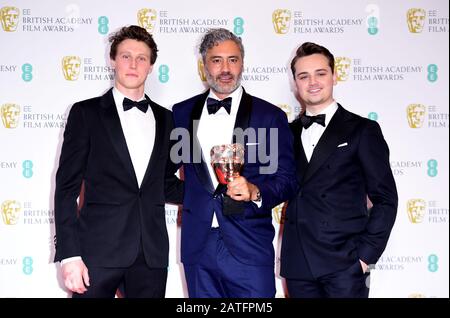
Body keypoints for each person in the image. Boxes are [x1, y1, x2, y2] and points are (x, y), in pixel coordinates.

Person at [54, 25, 183, 298]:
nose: (133, 64)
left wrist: (218, 192)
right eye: (126, 56)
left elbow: (165, 183)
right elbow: (66, 189)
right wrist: (69, 255)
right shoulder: (85, 113)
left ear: (150, 66)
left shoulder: (168, 119)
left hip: (151, 255)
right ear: (113, 60)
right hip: (95, 254)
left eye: (142, 58)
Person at [172, 28, 297, 298]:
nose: (225, 68)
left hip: (249, 244)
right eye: (216, 60)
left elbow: (287, 180)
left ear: (242, 63)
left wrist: (255, 190)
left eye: (233, 59)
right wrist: (191, 197)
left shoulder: (269, 116)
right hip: (198, 246)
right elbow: (162, 174)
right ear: (204, 65)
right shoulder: (180, 114)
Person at [280, 42, 398, 298]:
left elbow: (386, 199)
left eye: (320, 73)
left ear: (334, 76)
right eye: (304, 76)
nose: (312, 82)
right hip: (298, 263)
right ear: (295, 83)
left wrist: (364, 258)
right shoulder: (285, 133)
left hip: (344, 264)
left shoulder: (362, 130)